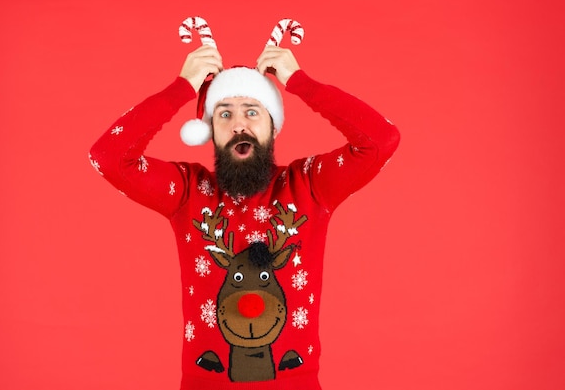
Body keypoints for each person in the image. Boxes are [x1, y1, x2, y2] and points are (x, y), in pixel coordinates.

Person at [89, 44, 400, 390]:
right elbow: (108, 156)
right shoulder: (187, 190)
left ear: (273, 125)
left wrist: (301, 83)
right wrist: (181, 88)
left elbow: (381, 140)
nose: (238, 124)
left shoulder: (310, 184)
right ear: (210, 130)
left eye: (252, 111)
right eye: (224, 114)